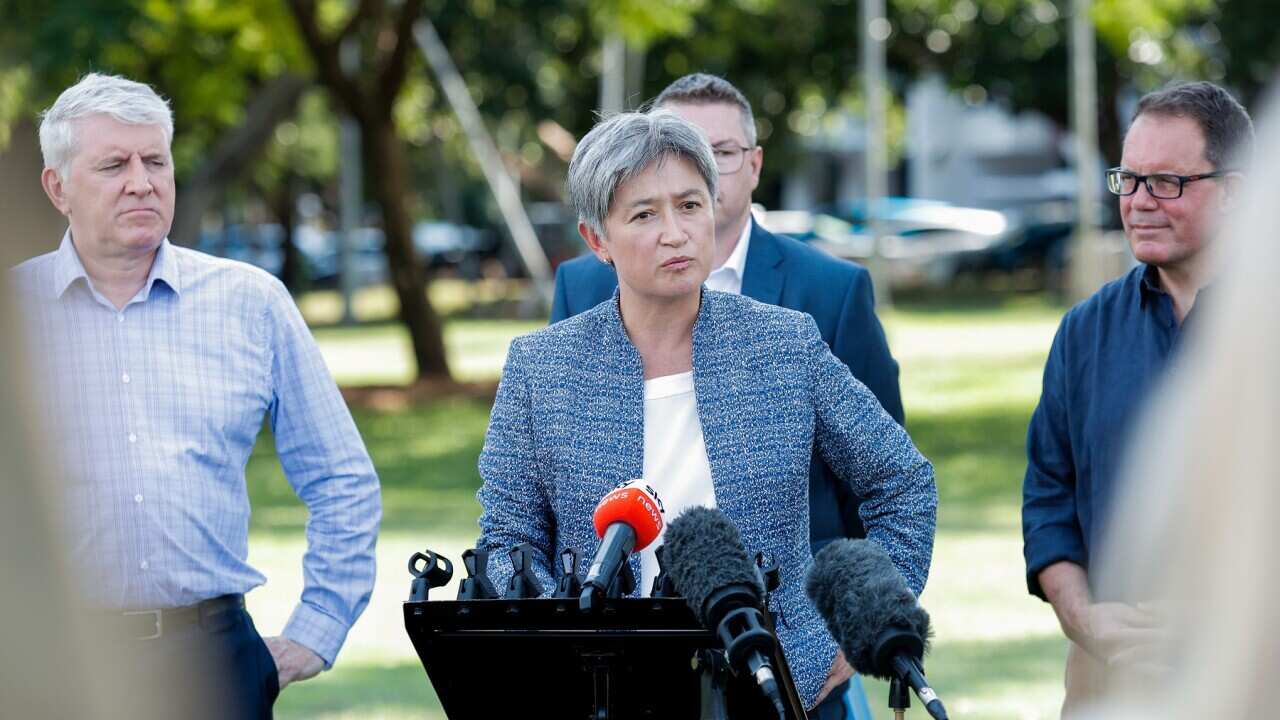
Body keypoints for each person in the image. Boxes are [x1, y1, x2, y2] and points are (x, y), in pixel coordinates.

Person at [476, 109, 936, 717]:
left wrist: (844, 637)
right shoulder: (540, 366)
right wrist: (556, 644)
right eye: (644, 214)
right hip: (605, 693)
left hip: (775, 682)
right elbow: (508, 540)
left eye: (690, 206)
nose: (676, 232)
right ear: (597, 240)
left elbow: (901, 481)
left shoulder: (784, 344)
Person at [10, 73, 381, 719]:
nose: (141, 181)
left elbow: (341, 477)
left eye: (155, 160)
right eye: (113, 164)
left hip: (211, 666)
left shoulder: (250, 302)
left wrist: (314, 633)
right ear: (57, 187)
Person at [1020, 80, 1253, 716]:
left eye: (1168, 183)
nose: (1141, 202)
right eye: (1128, 179)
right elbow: (1049, 496)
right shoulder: (1084, 331)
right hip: (1110, 683)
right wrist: (1085, 617)